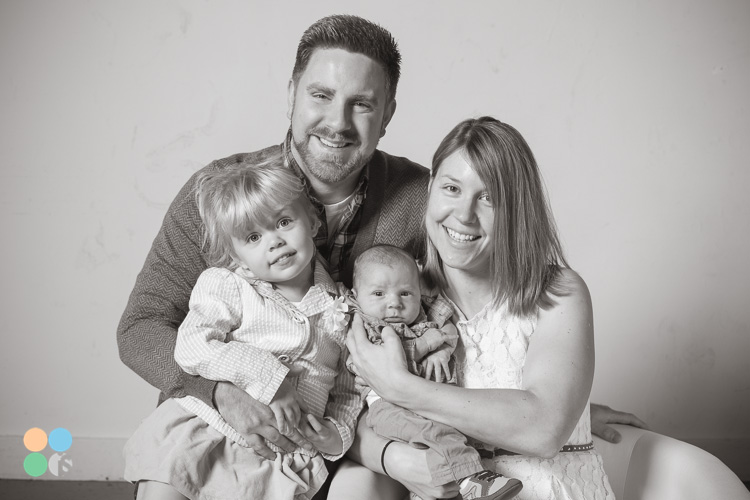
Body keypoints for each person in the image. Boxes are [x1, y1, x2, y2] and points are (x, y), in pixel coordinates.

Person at [117, 14, 646, 500]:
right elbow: (142, 326)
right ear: (292, 95)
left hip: (349, 435)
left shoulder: (423, 200)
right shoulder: (224, 196)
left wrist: (559, 404)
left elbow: (474, 302)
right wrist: (219, 392)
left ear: (387, 114)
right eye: (321, 95)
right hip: (222, 419)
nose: (337, 122)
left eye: (362, 104)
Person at [342, 117, 617, 499]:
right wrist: (394, 459)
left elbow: (543, 429)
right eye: (451, 188)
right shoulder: (395, 296)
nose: (464, 214)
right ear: (430, 188)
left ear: (517, 209)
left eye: (488, 197)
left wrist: (401, 386)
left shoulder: (557, 291)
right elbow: (346, 414)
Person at [123, 159, 362, 500]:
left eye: (284, 222)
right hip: (205, 430)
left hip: (275, 459)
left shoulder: (343, 307)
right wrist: (269, 378)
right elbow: (192, 345)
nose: (274, 241)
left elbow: (349, 388)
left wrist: (338, 433)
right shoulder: (228, 286)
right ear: (235, 255)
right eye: (253, 237)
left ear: (312, 222)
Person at [344, 244, 524, 500]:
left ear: (419, 292)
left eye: (405, 293)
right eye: (379, 293)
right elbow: (385, 363)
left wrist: (442, 352)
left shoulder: (424, 314)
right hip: (387, 407)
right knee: (435, 433)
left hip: (427, 403)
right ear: (356, 295)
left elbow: (449, 329)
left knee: (447, 434)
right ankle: (472, 481)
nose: (394, 303)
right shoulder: (365, 324)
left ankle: (462, 484)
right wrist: (426, 345)